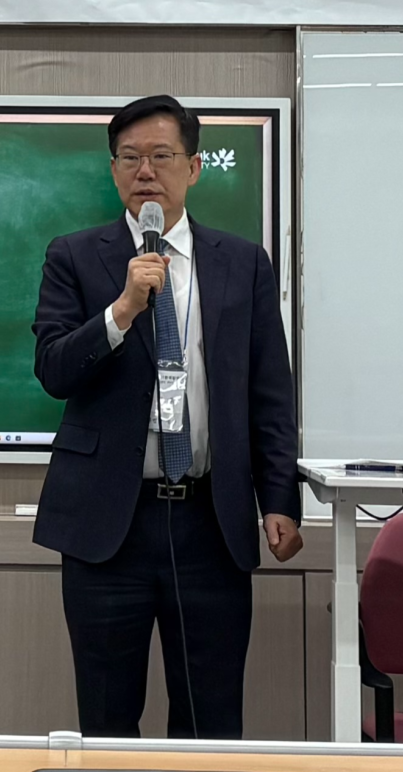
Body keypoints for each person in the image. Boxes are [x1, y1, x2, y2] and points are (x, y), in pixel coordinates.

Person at [31, 94, 302, 739]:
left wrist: (280, 499)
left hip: (211, 521)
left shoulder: (243, 263)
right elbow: (54, 371)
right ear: (113, 170)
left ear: (195, 166)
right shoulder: (74, 256)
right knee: (106, 722)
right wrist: (121, 309)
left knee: (211, 723)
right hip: (108, 524)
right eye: (129, 158)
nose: (145, 171)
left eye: (161, 155)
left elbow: (269, 391)